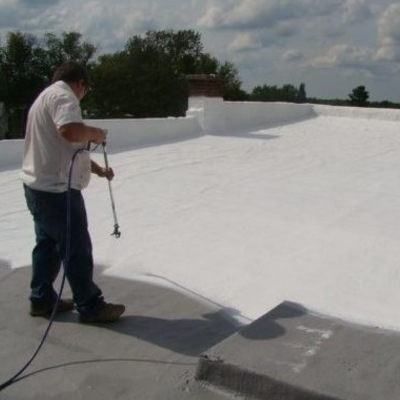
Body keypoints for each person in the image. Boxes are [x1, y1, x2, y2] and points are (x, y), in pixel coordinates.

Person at [21, 61, 125, 323]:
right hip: (57, 192)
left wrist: (99, 170)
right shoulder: (64, 96)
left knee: (47, 245)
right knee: (76, 247)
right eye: (85, 90)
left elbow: (66, 148)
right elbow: (70, 131)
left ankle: (41, 299)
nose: (82, 94)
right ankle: (90, 306)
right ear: (79, 83)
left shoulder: (44, 99)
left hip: (38, 188)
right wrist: (96, 133)